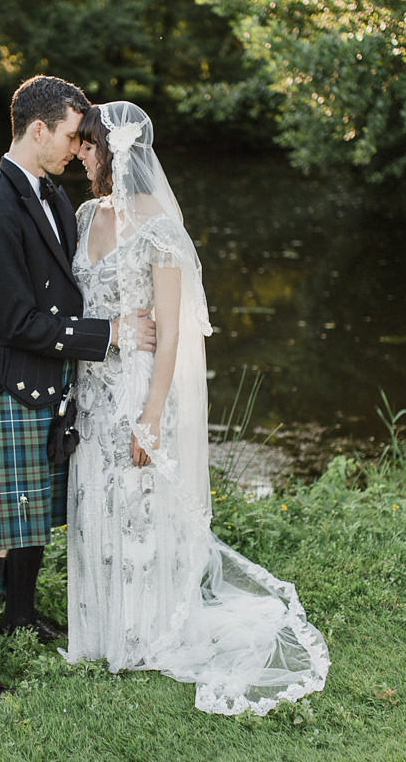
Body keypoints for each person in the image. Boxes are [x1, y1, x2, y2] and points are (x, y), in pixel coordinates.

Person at [62, 101, 330, 715]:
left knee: (136, 506)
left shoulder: (158, 223)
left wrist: (151, 414)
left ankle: (144, 634)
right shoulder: (84, 215)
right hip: (92, 385)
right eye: (77, 144)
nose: (80, 153)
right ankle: (98, 634)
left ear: (115, 150)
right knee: (94, 498)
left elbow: (174, 332)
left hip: (136, 387)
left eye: (88, 145)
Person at [0, 77, 154, 701]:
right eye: (69, 135)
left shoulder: (55, 198)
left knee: (34, 517)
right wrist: (110, 334)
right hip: (9, 386)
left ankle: (19, 614)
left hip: (53, 383)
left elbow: (67, 287)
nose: (76, 147)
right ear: (37, 130)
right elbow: (15, 322)